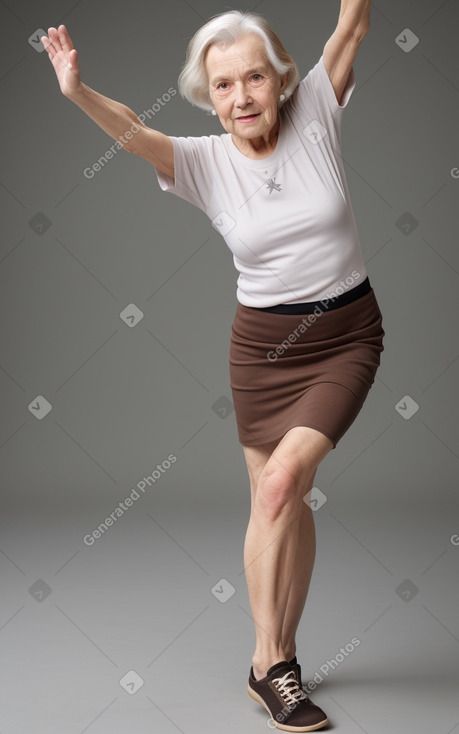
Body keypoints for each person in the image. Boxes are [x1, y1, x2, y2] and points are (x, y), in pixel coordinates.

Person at [42, 4, 383, 731]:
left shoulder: (318, 108)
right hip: (261, 352)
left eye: (253, 77)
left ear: (280, 78)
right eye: (223, 85)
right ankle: (280, 660)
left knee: (282, 487)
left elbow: (350, 24)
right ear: (209, 94)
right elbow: (133, 133)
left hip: (345, 336)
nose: (241, 98)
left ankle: (267, 665)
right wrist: (76, 91)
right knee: (282, 498)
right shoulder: (203, 162)